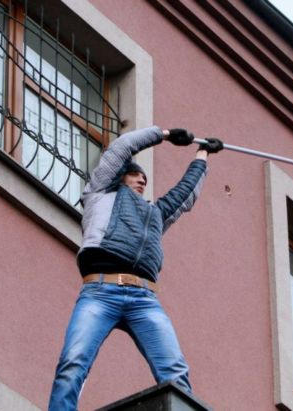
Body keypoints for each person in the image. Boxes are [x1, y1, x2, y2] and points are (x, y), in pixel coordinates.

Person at [48, 126, 223, 410]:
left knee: (176, 373)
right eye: (135, 174)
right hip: (100, 291)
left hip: (144, 299)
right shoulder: (100, 192)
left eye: (145, 178)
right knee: (73, 363)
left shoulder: (155, 215)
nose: (142, 179)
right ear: (119, 176)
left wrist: (202, 155)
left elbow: (184, 195)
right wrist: (164, 134)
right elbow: (123, 147)